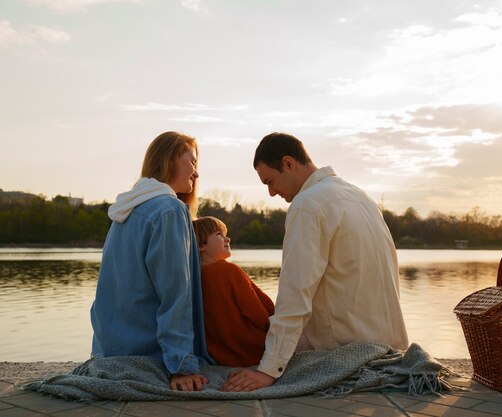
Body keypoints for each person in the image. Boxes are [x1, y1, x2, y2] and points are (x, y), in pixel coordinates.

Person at [221, 132, 408, 392]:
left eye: (270, 181)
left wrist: (268, 369)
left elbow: (295, 292)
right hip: (392, 347)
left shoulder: (307, 205)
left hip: (348, 351)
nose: (272, 192)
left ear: (288, 163)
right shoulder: (361, 197)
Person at [90, 131, 212, 392]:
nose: (196, 173)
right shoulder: (169, 210)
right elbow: (174, 295)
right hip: (150, 356)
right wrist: (180, 367)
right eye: (192, 162)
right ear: (169, 161)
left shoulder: (126, 210)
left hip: (110, 352)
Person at [192, 216, 275, 367]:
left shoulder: (192, 278)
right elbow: (259, 314)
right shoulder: (229, 271)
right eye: (219, 235)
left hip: (220, 356)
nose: (227, 239)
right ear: (201, 245)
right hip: (253, 351)